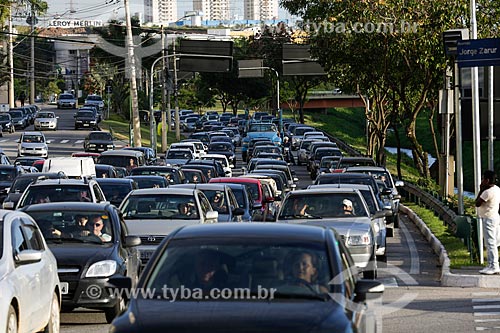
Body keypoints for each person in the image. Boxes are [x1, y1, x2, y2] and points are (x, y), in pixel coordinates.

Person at [475, 170, 500, 275]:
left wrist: (481, 189)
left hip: (488, 219)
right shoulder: (497, 189)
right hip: (495, 217)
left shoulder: (487, 192)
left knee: (490, 243)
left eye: (483, 179)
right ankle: (490, 264)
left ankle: (494, 265)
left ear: (487, 180)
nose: (482, 181)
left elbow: (477, 203)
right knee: (493, 242)